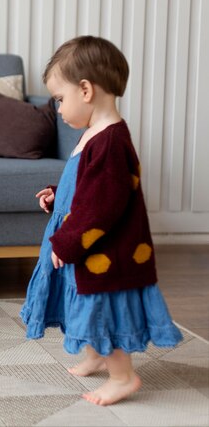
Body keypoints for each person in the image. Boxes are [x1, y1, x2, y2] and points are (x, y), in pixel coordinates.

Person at [20, 36, 183, 406]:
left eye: (60, 99)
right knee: (83, 304)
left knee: (100, 307)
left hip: (101, 250)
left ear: (86, 89)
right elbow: (84, 188)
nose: (58, 109)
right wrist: (55, 194)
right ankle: (94, 354)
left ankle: (123, 376)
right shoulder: (94, 135)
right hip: (85, 242)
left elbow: (103, 206)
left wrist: (67, 242)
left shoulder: (109, 141)